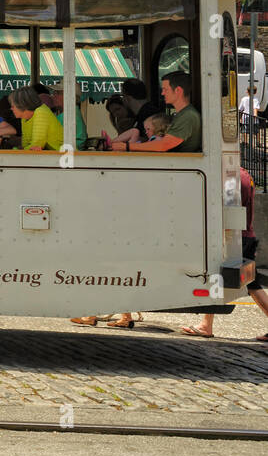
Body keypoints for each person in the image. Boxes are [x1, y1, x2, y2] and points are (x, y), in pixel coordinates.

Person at [182, 167, 268, 341]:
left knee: (218, 277)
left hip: (235, 237)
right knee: (251, 284)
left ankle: (206, 325)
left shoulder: (232, 177)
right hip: (245, 235)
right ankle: (206, 324)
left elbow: (227, 210)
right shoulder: (244, 174)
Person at [110, 71, 199, 152]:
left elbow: (163, 145)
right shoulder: (182, 114)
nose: (162, 93)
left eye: (165, 89)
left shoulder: (188, 116)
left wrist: (126, 146)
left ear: (178, 91)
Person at [9, 85, 63, 151]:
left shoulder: (41, 112)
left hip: (63, 155)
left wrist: (18, 150)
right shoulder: (24, 118)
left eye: (13, 106)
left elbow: (37, 145)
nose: (11, 109)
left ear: (22, 105)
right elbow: (25, 144)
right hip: (51, 155)